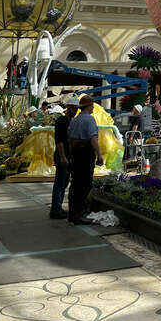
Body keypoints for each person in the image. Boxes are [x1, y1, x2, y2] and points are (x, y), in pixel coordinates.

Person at [67, 95, 103, 224]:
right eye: (92, 105)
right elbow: (93, 138)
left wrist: (71, 155)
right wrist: (99, 154)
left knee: (75, 183)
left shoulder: (75, 120)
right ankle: (80, 214)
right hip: (86, 154)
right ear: (87, 107)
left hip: (76, 154)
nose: (93, 107)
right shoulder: (90, 120)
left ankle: (72, 214)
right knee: (85, 184)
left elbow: (70, 140)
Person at [50, 97, 79, 219]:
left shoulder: (70, 120)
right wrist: (62, 157)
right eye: (75, 108)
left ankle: (58, 207)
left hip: (67, 156)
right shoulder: (62, 121)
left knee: (64, 182)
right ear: (69, 107)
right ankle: (55, 209)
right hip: (62, 156)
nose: (76, 110)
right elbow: (59, 141)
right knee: (60, 183)